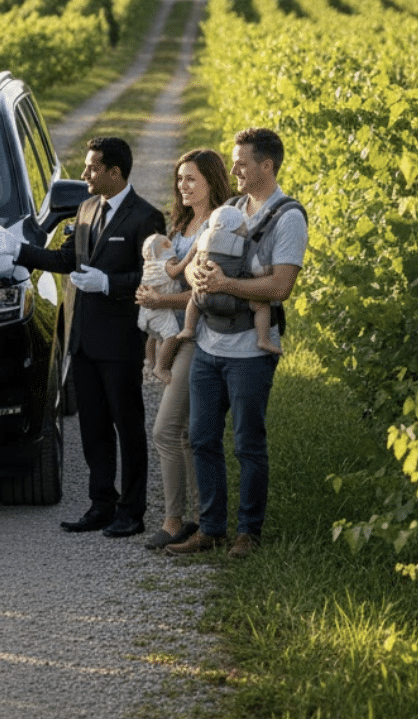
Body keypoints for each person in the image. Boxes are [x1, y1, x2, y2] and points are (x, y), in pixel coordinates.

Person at [0, 137, 165, 538]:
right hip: (83, 340)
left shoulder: (145, 217)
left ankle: (132, 511)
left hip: (119, 342)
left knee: (127, 427)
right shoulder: (84, 209)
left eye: (93, 168)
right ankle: (101, 504)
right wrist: (17, 250)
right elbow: (64, 260)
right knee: (93, 426)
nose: (84, 174)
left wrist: (110, 282)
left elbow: (154, 278)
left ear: (115, 173)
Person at [167, 128, 308, 559]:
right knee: (202, 437)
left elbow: (281, 287)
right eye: (233, 162)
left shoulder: (288, 218)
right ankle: (210, 528)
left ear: (268, 165)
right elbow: (193, 266)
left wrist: (226, 282)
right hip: (209, 343)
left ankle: (249, 532)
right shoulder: (227, 209)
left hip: (251, 347)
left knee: (248, 441)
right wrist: (198, 278)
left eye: (242, 163)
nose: (234, 171)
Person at [136, 149, 232, 551]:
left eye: (191, 178)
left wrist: (159, 303)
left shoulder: (217, 225)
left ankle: (175, 519)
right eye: (180, 179)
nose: (183, 186)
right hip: (171, 335)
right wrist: (148, 296)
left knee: (165, 430)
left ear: (211, 180)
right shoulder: (180, 226)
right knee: (190, 435)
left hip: (197, 336)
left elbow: (203, 290)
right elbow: (168, 279)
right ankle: (202, 519)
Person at [175, 204, 279, 355]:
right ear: (239, 228)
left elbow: (193, 265)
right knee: (262, 306)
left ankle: (188, 328)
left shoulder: (204, 242)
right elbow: (259, 269)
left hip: (205, 298)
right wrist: (268, 270)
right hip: (234, 300)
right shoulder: (245, 246)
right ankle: (263, 339)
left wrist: (196, 274)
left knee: (193, 298)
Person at [137, 233, 182, 384]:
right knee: (172, 335)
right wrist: (190, 256)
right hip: (159, 310)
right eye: (166, 244)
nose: (169, 245)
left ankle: (151, 362)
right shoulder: (164, 264)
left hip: (148, 311)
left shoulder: (149, 265)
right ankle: (160, 367)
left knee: (154, 336)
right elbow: (176, 272)